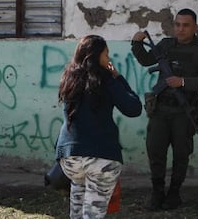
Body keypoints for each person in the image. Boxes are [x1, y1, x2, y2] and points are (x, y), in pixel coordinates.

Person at [131, 8, 198, 211]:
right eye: (177, 24)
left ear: (195, 27)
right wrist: (136, 43)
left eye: (186, 25)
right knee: (155, 151)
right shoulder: (166, 45)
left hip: (184, 112)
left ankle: (174, 193)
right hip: (160, 109)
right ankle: (157, 192)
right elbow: (147, 61)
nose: (181, 29)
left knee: (181, 154)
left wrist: (182, 82)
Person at [56, 35, 143, 218]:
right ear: (97, 56)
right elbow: (134, 108)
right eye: (106, 54)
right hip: (101, 157)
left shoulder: (69, 78)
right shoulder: (107, 79)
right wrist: (118, 77)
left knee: (78, 209)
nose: (109, 59)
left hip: (70, 158)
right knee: (93, 214)